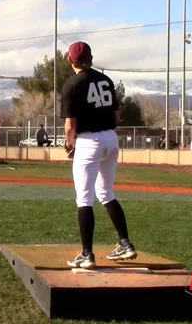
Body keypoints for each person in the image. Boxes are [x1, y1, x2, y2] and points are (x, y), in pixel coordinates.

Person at [61, 41, 136, 269]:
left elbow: (70, 124)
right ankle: (125, 244)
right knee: (106, 192)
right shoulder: (106, 80)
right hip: (110, 139)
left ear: (69, 59)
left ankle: (86, 254)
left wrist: (68, 143)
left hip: (89, 140)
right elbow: (116, 116)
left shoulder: (72, 84)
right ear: (91, 58)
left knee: (84, 198)